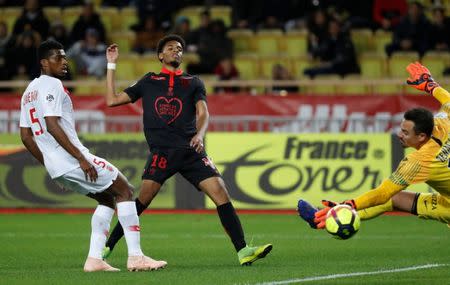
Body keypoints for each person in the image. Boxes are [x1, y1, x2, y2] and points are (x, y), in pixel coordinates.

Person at [102, 34, 272, 265]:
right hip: (162, 152)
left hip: (190, 150)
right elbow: (112, 100)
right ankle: (108, 246)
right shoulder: (148, 81)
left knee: (220, 191)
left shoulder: (193, 82)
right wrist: (112, 63)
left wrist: (199, 135)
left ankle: (243, 251)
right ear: (160, 55)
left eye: (180, 48)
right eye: (171, 48)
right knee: (142, 200)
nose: (176, 51)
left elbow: (204, 113)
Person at [19, 39, 167, 272]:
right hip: (70, 159)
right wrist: (80, 158)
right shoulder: (52, 85)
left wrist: (50, 165)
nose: (64, 62)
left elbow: (26, 137)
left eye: (65, 57)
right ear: (44, 63)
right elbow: (52, 124)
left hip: (57, 166)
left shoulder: (28, 91)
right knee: (125, 190)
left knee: (106, 199)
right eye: (58, 57)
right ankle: (136, 257)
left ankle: (94, 260)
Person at [298, 62, 450, 229]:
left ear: (421, 136)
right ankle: (329, 218)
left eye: (406, 133)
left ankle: (332, 216)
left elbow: (383, 193)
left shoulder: (420, 161)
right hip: (446, 201)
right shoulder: (444, 120)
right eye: (401, 129)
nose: (399, 135)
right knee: (395, 199)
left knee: (388, 196)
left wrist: (349, 204)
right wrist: (431, 86)